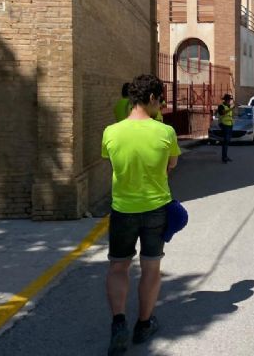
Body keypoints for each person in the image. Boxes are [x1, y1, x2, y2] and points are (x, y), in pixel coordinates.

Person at [101, 74, 181, 355]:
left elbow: (112, 163)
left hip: (122, 209)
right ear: (150, 98)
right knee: (150, 268)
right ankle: (144, 324)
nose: (161, 105)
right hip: (155, 209)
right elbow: (171, 165)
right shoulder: (166, 132)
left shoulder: (110, 132)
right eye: (160, 99)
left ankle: (119, 323)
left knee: (118, 266)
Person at [217, 93, 234, 163]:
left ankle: (225, 156)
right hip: (224, 125)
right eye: (228, 100)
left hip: (229, 125)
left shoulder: (228, 106)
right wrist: (231, 109)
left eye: (229, 100)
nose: (229, 101)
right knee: (225, 141)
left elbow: (230, 116)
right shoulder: (221, 106)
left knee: (227, 141)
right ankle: (224, 157)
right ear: (225, 100)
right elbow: (223, 113)